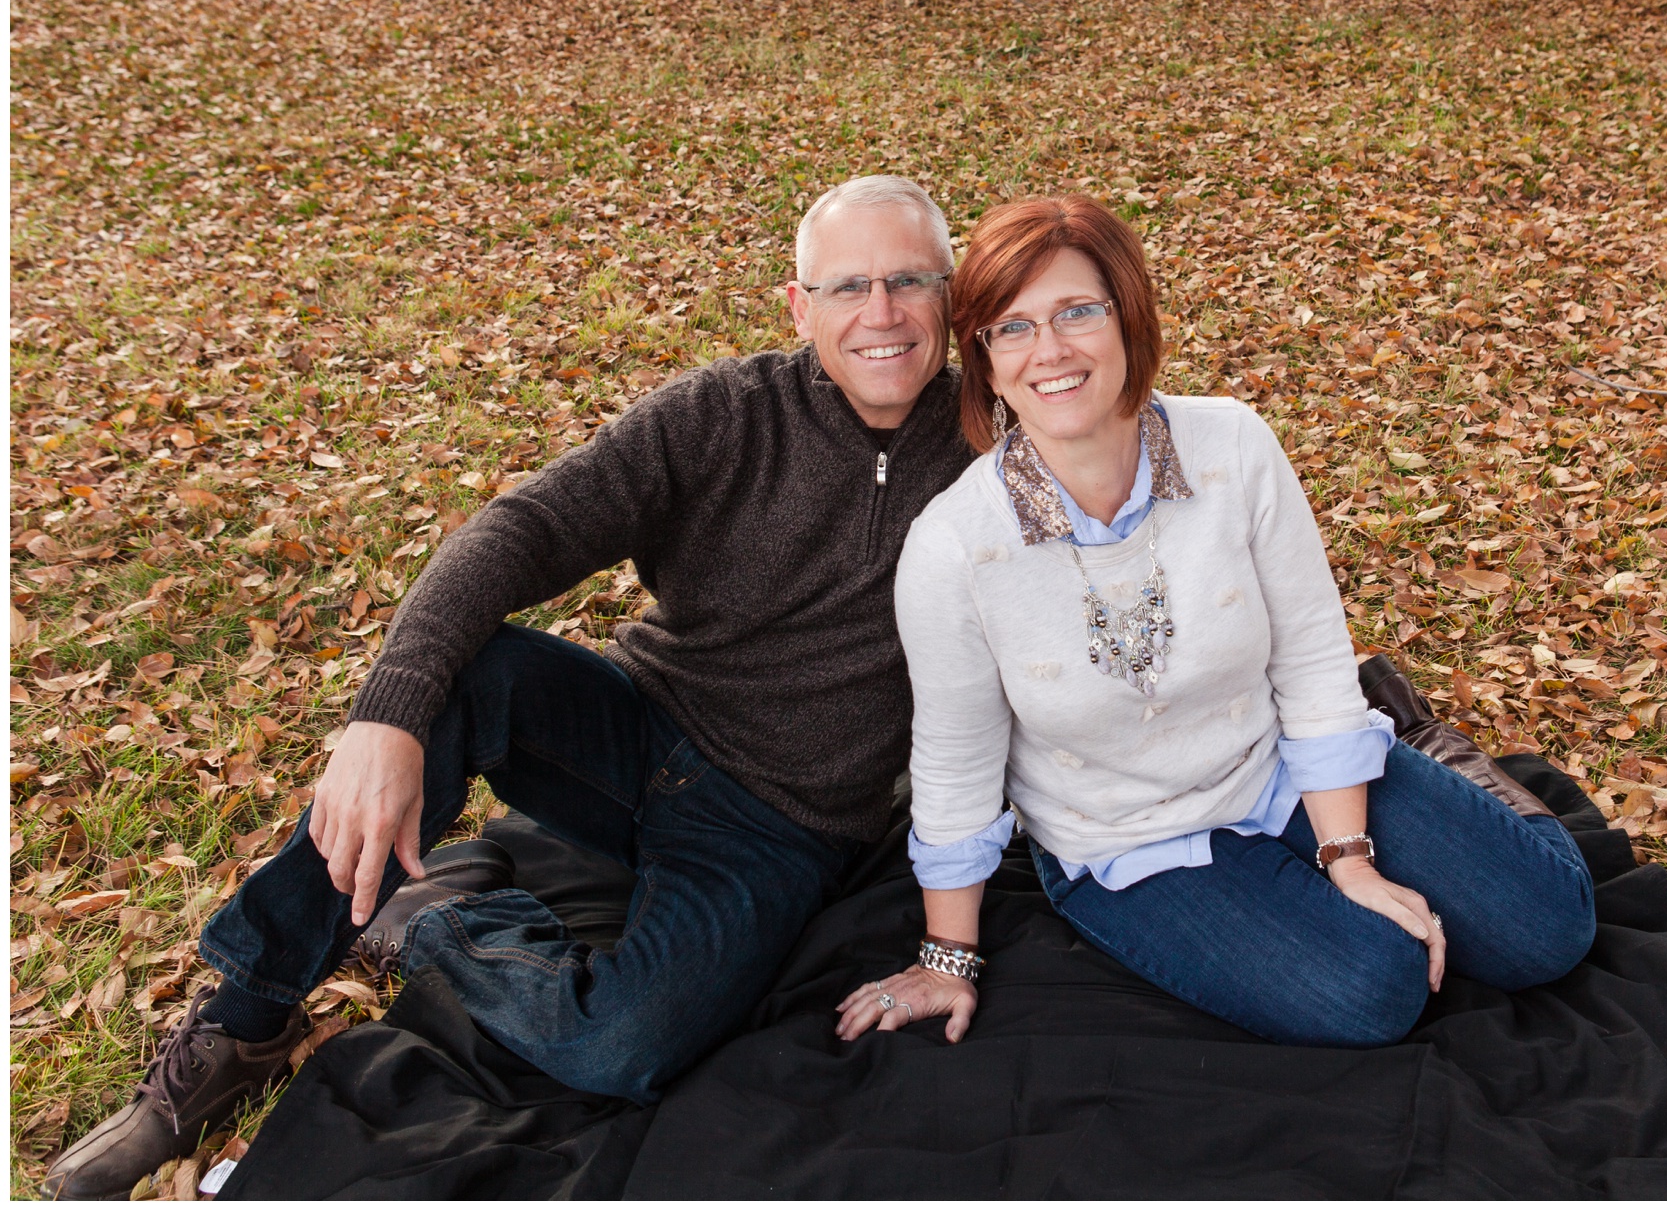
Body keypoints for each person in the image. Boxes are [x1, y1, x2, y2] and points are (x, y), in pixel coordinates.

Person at [44, 176, 975, 1199]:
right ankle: (245, 1016)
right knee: (464, 675)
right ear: (799, 306)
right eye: (847, 287)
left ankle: (434, 921)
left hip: (781, 819)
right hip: (635, 731)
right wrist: (383, 716)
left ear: (950, 292)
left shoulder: (996, 442)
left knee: (618, 1048)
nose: (879, 314)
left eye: (907, 281)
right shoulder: (725, 416)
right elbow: (517, 531)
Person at [836, 195, 1596, 1049]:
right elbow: (956, 756)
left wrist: (1350, 856)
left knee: (1551, 926)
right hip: (1125, 838)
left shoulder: (1232, 447)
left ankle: (1412, 738)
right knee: (1375, 988)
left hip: (1276, 764)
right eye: (1011, 329)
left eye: (1077, 312)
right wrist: (949, 955)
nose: (1048, 351)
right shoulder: (953, 548)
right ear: (985, 359)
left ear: (1129, 316)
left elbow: (1311, 658)